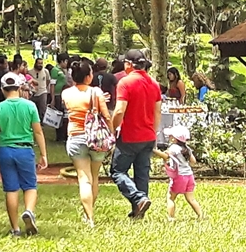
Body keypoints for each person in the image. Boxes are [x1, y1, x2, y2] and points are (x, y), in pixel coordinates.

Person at [0, 75, 47, 237]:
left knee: (11, 189)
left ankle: (15, 229)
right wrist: (43, 154)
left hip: (5, 151)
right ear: (20, 87)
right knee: (30, 186)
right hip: (25, 150)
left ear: (2, 89)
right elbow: (38, 131)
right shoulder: (30, 106)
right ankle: (28, 211)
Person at [110, 49, 163, 219]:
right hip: (148, 136)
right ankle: (138, 210)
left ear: (129, 64)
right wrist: (153, 133)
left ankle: (138, 198)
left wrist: (112, 129)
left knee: (118, 171)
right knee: (142, 174)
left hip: (130, 135)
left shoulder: (126, 83)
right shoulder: (154, 84)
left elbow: (119, 111)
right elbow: (157, 112)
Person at [63, 60, 112, 227]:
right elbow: (105, 116)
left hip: (76, 136)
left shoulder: (66, 94)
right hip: (96, 138)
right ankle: (90, 212)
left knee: (84, 179)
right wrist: (111, 134)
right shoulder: (96, 92)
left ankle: (89, 217)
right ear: (89, 76)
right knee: (94, 178)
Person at [153, 125, 204, 220]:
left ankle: (171, 217)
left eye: (171, 136)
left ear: (175, 139)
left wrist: (154, 151)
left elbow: (165, 156)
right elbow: (193, 161)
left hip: (179, 176)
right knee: (191, 198)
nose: (169, 137)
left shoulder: (174, 148)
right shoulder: (187, 149)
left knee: (170, 197)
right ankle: (200, 215)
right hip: (189, 176)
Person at [30, 58, 51, 123]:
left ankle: (42, 122)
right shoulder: (30, 72)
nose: (40, 65)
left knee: (43, 109)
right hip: (33, 93)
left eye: (41, 63)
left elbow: (48, 80)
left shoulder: (46, 71)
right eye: (39, 63)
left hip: (43, 92)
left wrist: (44, 87)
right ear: (35, 63)